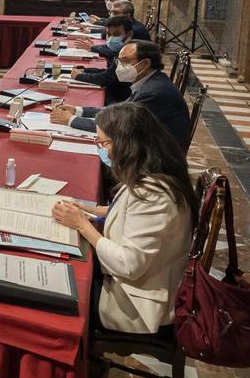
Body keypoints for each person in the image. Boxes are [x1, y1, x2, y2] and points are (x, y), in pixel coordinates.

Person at [50, 103, 197, 334]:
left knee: (55, 289)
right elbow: (132, 214)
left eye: (104, 143)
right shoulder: (155, 170)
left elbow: (129, 265)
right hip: (134, 282)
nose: (102, 149)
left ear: (127, 145)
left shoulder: (154, 193)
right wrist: (93, 211)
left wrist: (82, 225)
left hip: (135, 302)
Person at [51, 41, 191, 146]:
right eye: (119, 61)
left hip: (154, 158)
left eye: (125, 61)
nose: (119, 66)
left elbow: (119, 129)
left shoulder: (153, 92)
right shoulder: (149, 81)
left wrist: (71, 120)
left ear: (145, 64)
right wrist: (78, 110)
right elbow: (120, 111)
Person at [73, 15, 135, 104]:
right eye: (109, 35)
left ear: (129, 34)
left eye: (116, 34)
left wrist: (79, 76)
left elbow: (106, 78)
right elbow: (111, 72)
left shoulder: (129, 53)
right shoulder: (124, 48)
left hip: (120, 98)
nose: (112, 38)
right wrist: (85, 70)